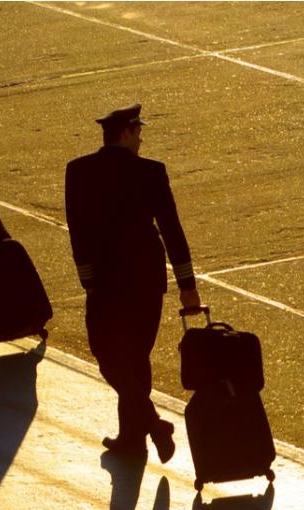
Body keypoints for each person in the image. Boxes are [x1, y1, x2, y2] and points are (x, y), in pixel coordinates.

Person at [65, 103, 201, 462]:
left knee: (108, 357)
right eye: (138, 133)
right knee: (136, 357)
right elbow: (172, 230)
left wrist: (87, 278)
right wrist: (187, 284)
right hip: (146, 278)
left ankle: (137, 435)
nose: (141, 140)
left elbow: (77, 231)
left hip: (107, 281)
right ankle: (149, 427)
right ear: (126, 133)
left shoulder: (78, 171)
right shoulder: (152, 173)